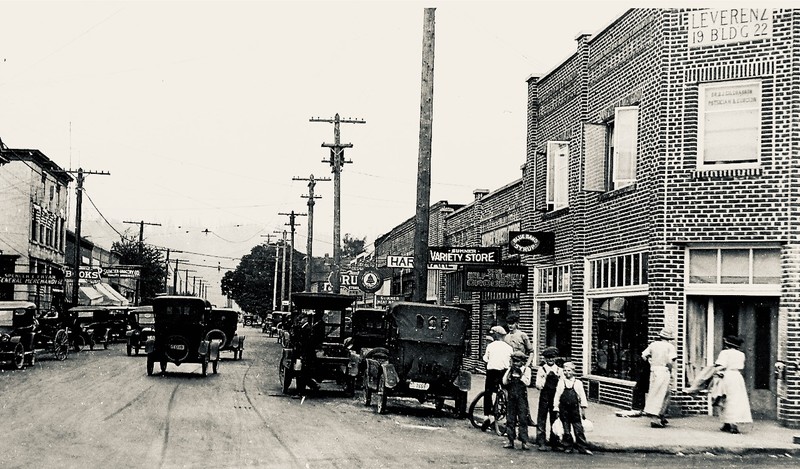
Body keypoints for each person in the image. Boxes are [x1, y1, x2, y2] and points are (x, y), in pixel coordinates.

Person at [715, 335, 752, 434]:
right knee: (736, 399)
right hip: (737, 377)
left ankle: (732, 424)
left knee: (726, 399)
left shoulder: (725, 353)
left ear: (727, 344)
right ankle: (728, 423)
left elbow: (722, 365)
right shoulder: (741, 354)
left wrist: (715, 370)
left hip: (727, 376)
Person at [553, 361, 592, 455]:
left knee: (578, 429)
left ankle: (582, 447)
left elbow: (582, 396)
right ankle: (568, 446)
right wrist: (556, 408)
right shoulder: (561, 382)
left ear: (573, 371)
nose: (567, 373)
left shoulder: (578, 383)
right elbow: (557, 395)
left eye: (569, 370)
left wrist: (583, 408)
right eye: (565, 371)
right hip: (564, 409)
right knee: (566, 429)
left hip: (574, 409)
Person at [641, 327, 677, 428]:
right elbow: (671, 361)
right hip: (664, 370)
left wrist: (651, 361)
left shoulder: (653, 344)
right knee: (663, 393)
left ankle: (660, 416)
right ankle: (655, 418)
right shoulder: (670, 346)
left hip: (654, 370)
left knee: (655, 392)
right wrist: (670, 370)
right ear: (669, 338)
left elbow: (644, 355)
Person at [481, 325, 513, 431]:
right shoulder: (509, 347)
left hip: (492, 371)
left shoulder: (491, 346)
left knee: (488, 392)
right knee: (504, 391)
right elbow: (510, 361)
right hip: (504, 372)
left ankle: (487, 416)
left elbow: (486, 358)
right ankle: (499, 414)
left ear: (496, 335)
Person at [502, 351, 532, 450]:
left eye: (518, 362)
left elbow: (528, 383)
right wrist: (509, 372)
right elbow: (504, 382)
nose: (516, 364)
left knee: (523, 419)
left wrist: (521, 375)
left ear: (523, 362)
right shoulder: (511, 370)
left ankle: (524, 441)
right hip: (511, 397)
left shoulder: (526, 370)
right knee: (510, 418)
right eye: (514, 361)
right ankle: (510, 440)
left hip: (521, 398)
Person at [535, 346, 563, 451]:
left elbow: (561, 385)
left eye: (552, 357)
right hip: (544, 395)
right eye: (548, 358)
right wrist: (545, 378)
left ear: (556, 358)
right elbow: (538, 385)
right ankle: (541, 442)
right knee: (542, 418)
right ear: (545, 359)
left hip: (555, 396)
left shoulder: (559, 371)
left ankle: (554, 442)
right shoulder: (541, 370)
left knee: (554, 417)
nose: (550, 360)